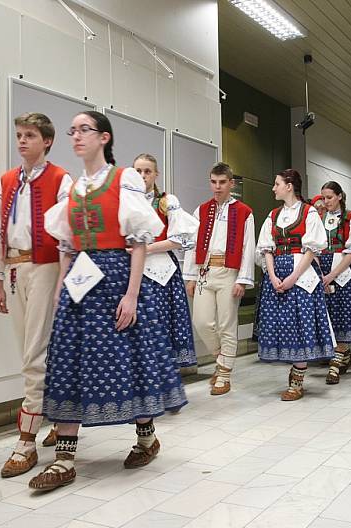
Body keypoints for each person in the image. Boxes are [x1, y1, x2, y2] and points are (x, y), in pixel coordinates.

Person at [31, 111, 187, 491]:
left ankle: (146, 439)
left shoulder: (125, 179)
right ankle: (64, 459)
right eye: (73, 131)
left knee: (127, 358)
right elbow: (66, 244)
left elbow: (138, 241)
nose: (76, 136)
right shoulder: (72, 188)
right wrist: (60, 289)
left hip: (117, 276)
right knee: (69, 360)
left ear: (104, 137)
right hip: (80, 281)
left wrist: (132, 294)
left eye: (84, 130)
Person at [0, 112, 69, 478]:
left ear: (47, 140)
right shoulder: (7, 180)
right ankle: (55, 419)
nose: (22, 141)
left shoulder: (61, 179)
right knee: (29, 351)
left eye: (30, 135)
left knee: (36, 353)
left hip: (45, 268)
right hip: (14, 269)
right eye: (19, 135)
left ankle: (26, 440)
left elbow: (67, 235)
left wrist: (64, 279)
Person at [255, 169, 333, 400]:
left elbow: (311, 250)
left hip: (300, 275)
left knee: (301, 325)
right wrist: (271, 276)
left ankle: (297, 382)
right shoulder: (273, 215)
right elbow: (266, 249)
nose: (273, 188)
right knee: (283, 324)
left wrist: (293, 277)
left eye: (277, 183)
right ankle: (294, 373)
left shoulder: (309, 213)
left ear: (289, 186)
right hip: (277, 274)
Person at [183, 163, 255, 396]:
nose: (217, 187)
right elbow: (192, 245)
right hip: (204, 271)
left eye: (222, 182)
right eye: (213, 182)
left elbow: (248, 247)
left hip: (229, 272)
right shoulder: (202, 210)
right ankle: (222, 358)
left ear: (231, 184)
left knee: (227, 324)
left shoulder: (244, 211)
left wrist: (242, 279)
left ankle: (224, 374)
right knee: (201, 321)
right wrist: (191, 276)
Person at [133, 153, 198, 367]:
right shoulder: (125, 202)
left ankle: (163, 379)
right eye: (138, 171)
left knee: (162, 323)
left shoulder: (166, 201)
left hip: (162, 272)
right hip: (133, 270)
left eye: (147, 171)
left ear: (156, 174)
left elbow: (180, 239)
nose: (142, 175)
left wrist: (146, 249)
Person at [317, 181, 351, 384]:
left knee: (344, 316)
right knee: (331, 317)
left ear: (339, 196)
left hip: (345, 271)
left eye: (329, 197)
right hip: (324, 270)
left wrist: (332, 274)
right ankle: (343, 356)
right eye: (323, 197)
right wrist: (322, 273)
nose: (326, 201)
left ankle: (335, 366)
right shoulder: (320, 219)